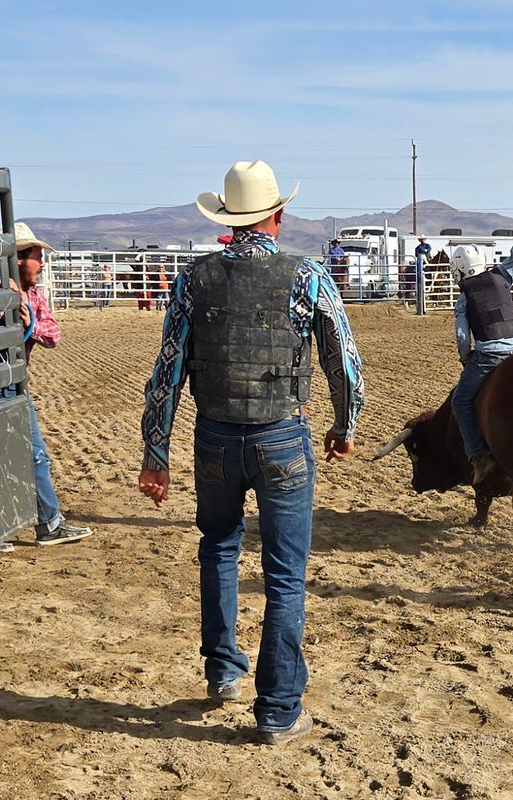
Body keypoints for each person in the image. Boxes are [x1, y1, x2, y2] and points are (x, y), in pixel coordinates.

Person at [136, 159, 364, 744]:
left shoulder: (193, 279)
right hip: (281, 435)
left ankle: (222, 670)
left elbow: (169, 367)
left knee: (217, 546)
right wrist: (344, 422)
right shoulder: (308, 275)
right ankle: (280, 709)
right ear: (278, 215)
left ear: (227, 217)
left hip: (213, 435)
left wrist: (155, 452)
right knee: (285, 576)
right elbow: (343, 359)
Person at [450, 191, 513, 486]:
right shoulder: (503, 275)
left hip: (487, 354)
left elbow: (463, 336)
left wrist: (466, 359)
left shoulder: (464, 294)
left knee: (461, 401)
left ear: (460, 270)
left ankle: (479, 455)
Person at [9, 222, 89, 547]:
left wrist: (30, 321)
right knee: (35, 453)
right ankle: (49, 522)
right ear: (18, 258)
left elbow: (54, 335)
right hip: (4, 383)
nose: (42, 265)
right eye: (36, 257)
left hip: (12, 381)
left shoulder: (32, 296)